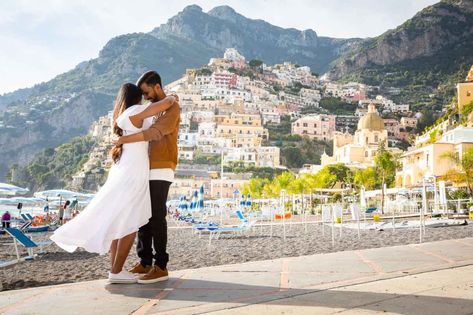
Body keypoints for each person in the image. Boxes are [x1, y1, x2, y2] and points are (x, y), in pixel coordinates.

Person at [51, 83, 178, 284]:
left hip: (124, 170)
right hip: (133, 173)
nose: (145, 98)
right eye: (143, 95)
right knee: (130, 222)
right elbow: (165, 104)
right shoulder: (135, 111)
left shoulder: (120, 116)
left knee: (120, 219)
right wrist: (171, 97)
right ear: (136, 98)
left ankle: (115, 270)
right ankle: (116, 271)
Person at [114, 71, 180, 284]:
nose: (145, 96)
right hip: (144, 168)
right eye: (142, 93)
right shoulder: (150, 110)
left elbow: (156, 133)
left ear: (157, 86)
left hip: (161, 167)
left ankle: (161, 265)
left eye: (147, 91)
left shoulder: (172, 107)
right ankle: (145, 261)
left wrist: (123, 140)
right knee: (143, 216)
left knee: (157, 217)